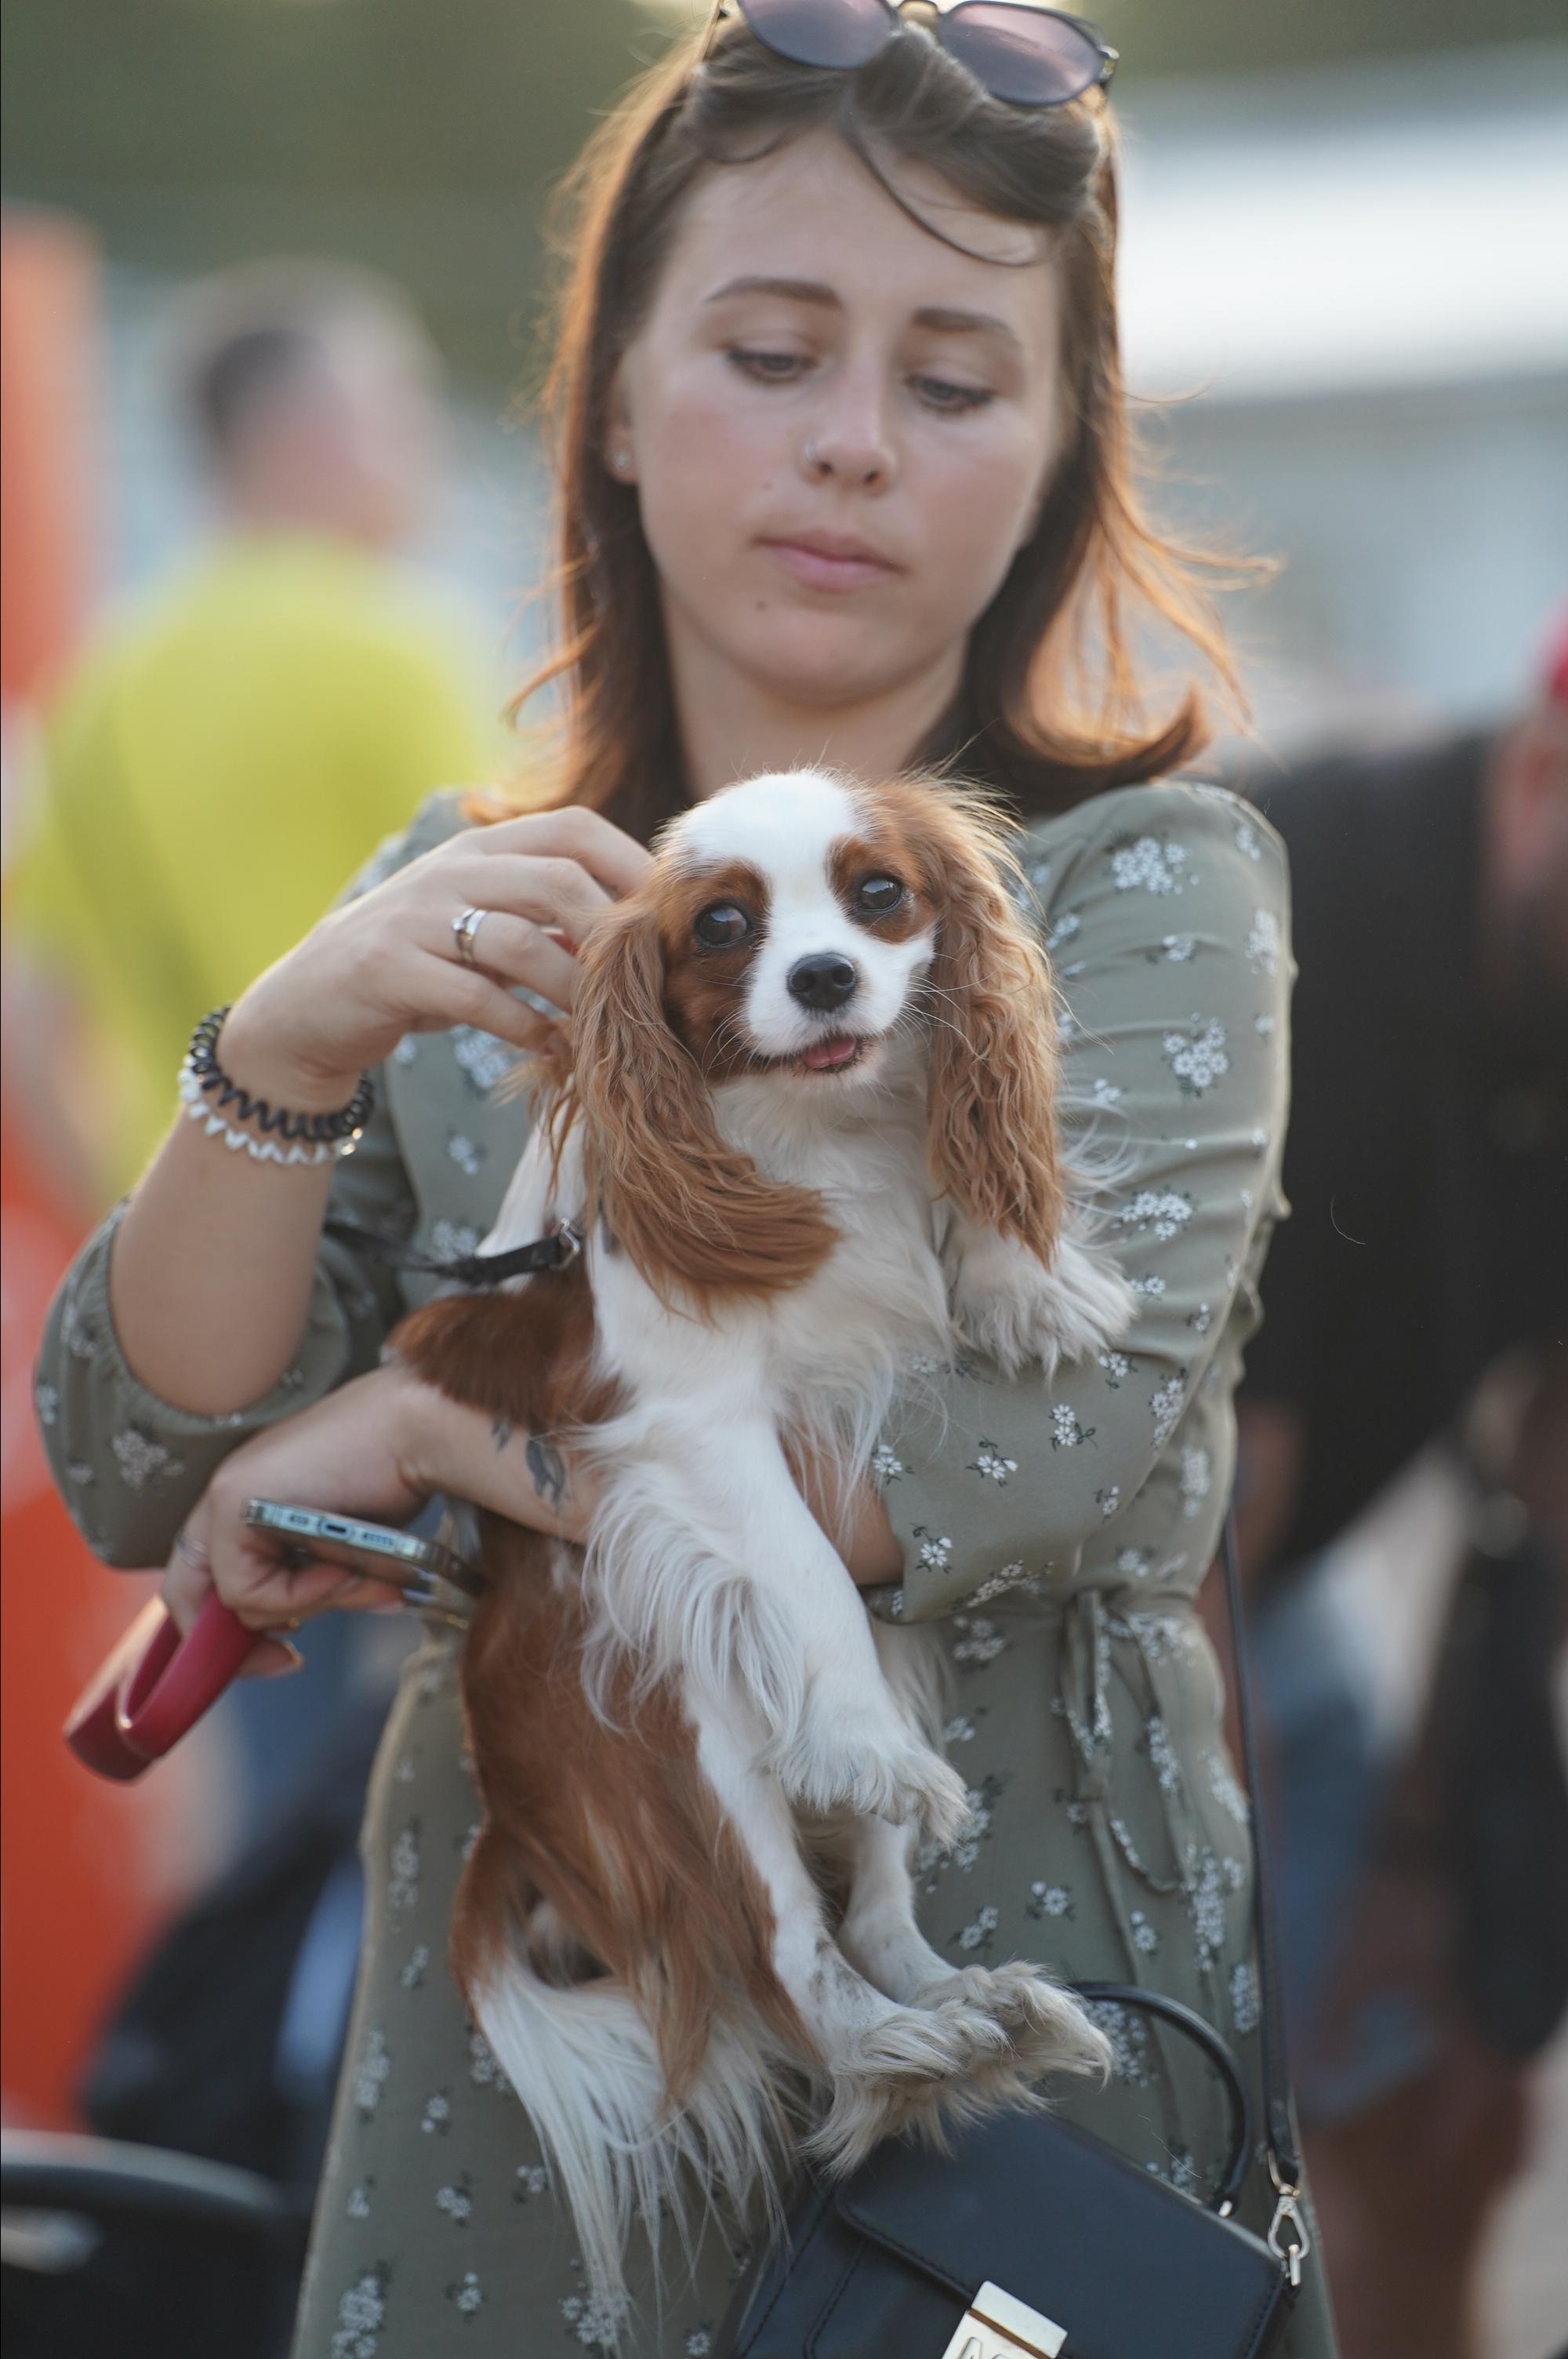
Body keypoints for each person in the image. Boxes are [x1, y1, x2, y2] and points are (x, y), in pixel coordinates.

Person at [34, 13, 1338, 2355]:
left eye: (956, 380)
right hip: (533, 2094)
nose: (853, 436)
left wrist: (431, 1429)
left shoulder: (1143, 882)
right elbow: (146, 1461)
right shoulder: (466, 896)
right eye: (768, 348)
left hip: (1016, 2084)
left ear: (1052, 458)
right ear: (616, 403)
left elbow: (1035, 1446)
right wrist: (288, 1040)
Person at [1233, 645, 1568, 2359]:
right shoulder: (1297, 898)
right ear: (1540, 761)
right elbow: (1203, 1527)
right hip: (1073, 1572)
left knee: (1435, 2124)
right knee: (1145, 2198)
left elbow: (1543, 1468)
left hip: (1284, 1573)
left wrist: (1438, 1880)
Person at [5, 257, 497, 1215]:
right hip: (377, 1232)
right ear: (314, 436)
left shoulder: (100, 684)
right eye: (402, 411)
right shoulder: (393, 647)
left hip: (187, 1242)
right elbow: (530, 931)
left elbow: (27, 1025)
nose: (430, 446)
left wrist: (131, 1224)